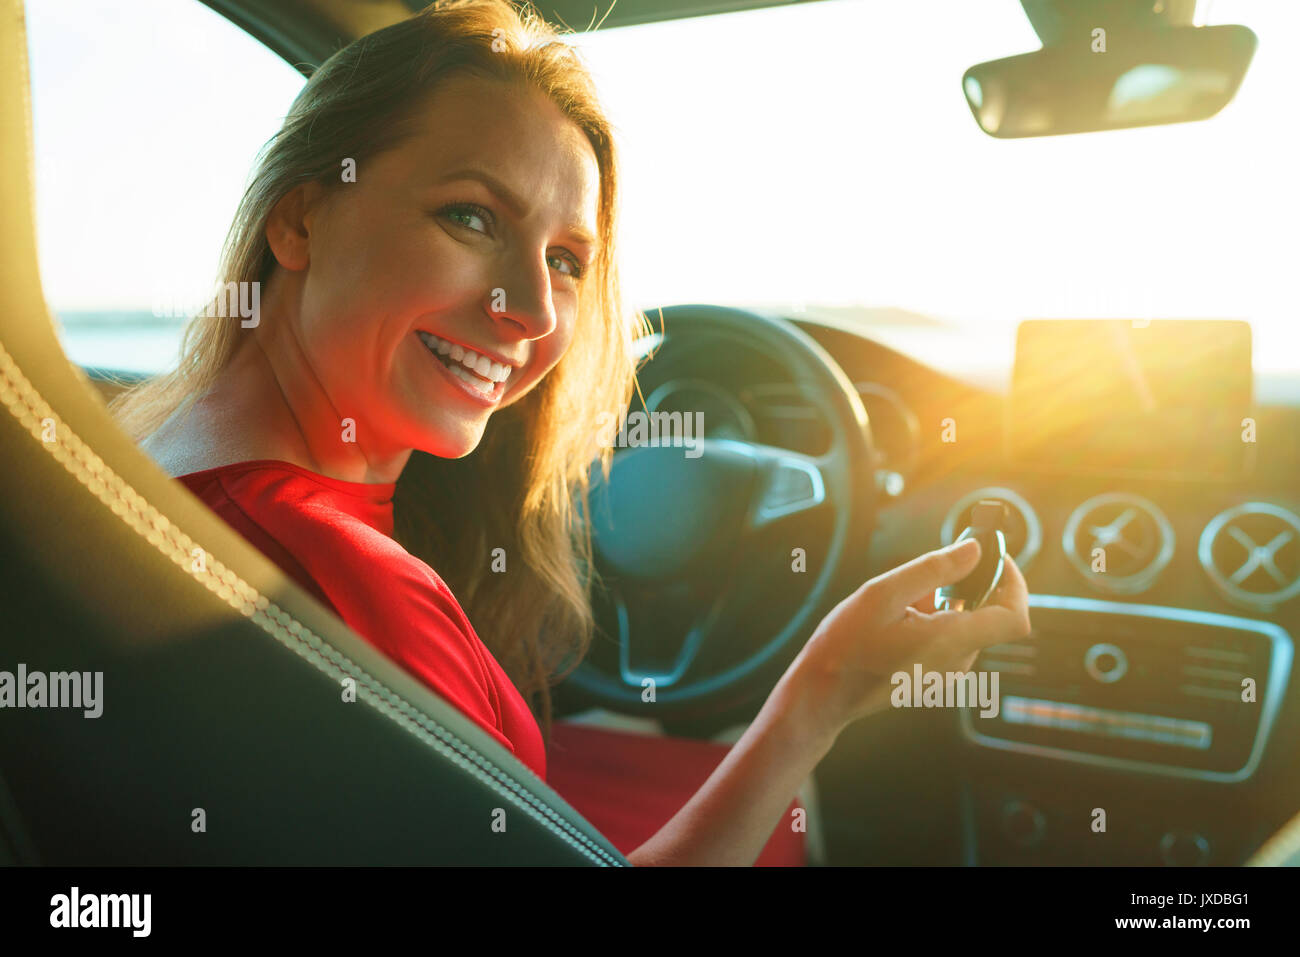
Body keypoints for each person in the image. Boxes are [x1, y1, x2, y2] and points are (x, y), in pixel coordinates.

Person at [112, 0, 1031, 866]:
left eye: (566, 261)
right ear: (299, 218)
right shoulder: (347, 581)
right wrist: (822, 695)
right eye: (470, 217)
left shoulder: (138, 465)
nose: (530, 312)